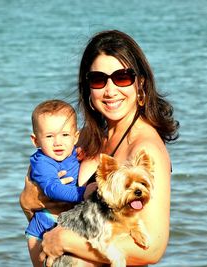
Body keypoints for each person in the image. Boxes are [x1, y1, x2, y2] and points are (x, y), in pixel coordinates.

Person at [20, 30, 179, 266]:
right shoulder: (86, 137)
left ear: (141, 83)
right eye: (98, 80)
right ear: (88, 88)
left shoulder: (145, 148)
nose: (110, 90)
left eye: (122, 77)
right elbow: (33, 199)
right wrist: (30, 201)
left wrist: (65, 240)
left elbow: (152, 248)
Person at [25, 99, 88, 267]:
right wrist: (84, 193)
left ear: (76, 137)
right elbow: (52, 189)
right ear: (36, 141)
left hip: (65, 223)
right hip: (43, 228)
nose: (58, 142)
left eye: (65, 135)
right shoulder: (42, 162)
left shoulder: (75, 154)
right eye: (49, 136)